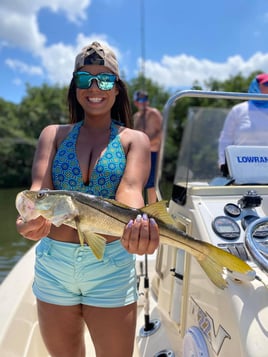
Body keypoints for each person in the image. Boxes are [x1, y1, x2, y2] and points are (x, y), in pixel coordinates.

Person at [16, 41, 159, 357]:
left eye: (104, 79)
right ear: (74, 86)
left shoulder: (135, 139)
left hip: (110, 265)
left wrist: (139, 232)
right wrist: (27, 223)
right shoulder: (52, 134)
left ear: (117, 88)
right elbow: (38, 192)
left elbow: (130, 196)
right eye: (84, 79)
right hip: (54, 264)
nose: (94, 87)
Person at [218, 73, 268, 175]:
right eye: (266, 84)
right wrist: (223, 162)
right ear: (256, 86)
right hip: (241, 167)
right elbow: (226, 138)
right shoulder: (239, 109)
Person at [133, 90, 163, 203]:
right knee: (136, 183)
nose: (144, 102)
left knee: (151, 185)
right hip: (139, 155)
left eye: (145, 99)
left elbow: (161, 134)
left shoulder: (153, 113)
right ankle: (138, 207)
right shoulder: (136, 117)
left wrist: (145, 145)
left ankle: (152, 210)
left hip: (153, 154)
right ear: (136, 102)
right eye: (141, 100)